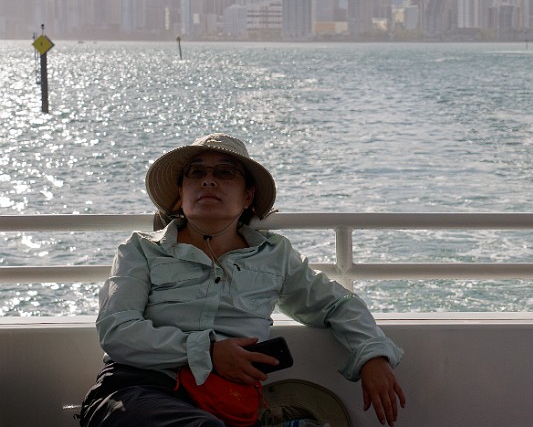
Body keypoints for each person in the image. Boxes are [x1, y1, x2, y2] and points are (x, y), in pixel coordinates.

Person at [78, 133, 406, 427]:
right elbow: (116, 330)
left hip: (228, 401)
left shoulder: (274, 255)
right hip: (137, 389)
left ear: (248, 196)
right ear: (181, 193)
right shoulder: (141, 250)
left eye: (224, 173)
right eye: (196, 173)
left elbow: (336, 303)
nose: (208, 181)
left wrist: (372, 356)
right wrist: (208, 351)